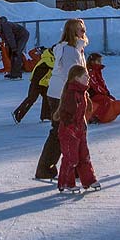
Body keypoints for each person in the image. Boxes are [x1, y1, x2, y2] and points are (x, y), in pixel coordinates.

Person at [34, 20, 89, 181]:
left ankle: (72, 168)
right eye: (80, 29)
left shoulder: (74, 48)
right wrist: (78, 96)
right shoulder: (69, 50)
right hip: (63, 96)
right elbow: (72, 76)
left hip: (62, 94)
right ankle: (47, 168)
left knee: (70, 131)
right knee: (64, 132)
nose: (83, 31)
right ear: (72, 31)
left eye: (84, 28)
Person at [55, 64, 100, 194]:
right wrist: (71, 128)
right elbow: (65, 114)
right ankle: (66, 183)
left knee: (84, 156)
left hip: (80, 130)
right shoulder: (72, 93)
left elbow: (81, 112)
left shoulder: (82, 92)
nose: (88, 78)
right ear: (76, 78)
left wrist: (83, 124)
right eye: (84, 76)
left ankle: (89, 180)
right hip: (69, 132)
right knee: (71, 158)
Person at [85, 53, 120, 124]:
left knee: (112, 99)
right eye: (98, 61)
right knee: (106, 101)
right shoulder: (90, 71)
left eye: (100, 61)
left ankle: (106, 115)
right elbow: (94, 84)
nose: (100, 63)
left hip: (98, 92)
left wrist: (107, 92)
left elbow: (102, 83)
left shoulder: (97, 70)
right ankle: (96, 117)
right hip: (92, 93)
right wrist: (104, 93)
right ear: (92, 61)